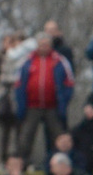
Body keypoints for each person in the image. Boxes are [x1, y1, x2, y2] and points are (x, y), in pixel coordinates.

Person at [14, 32, 74, 167]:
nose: (44, 47)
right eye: (41, 44)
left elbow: (69, 83)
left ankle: (58, 165)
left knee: (58, 137)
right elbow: (18, 84)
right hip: (32, 106)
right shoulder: (27, 61)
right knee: (26, 137)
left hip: (53, 106)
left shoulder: (60, 61)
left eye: (46, 45)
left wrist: (63, 102)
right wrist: (21, 105)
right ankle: (22, 165)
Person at [0, 33, 34, 161]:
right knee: (5, 130)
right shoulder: (2, 57)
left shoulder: (25, 58)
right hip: (5, 98)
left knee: (20, 130)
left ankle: (19, 158)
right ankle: (3, 158)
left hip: (19, 98)